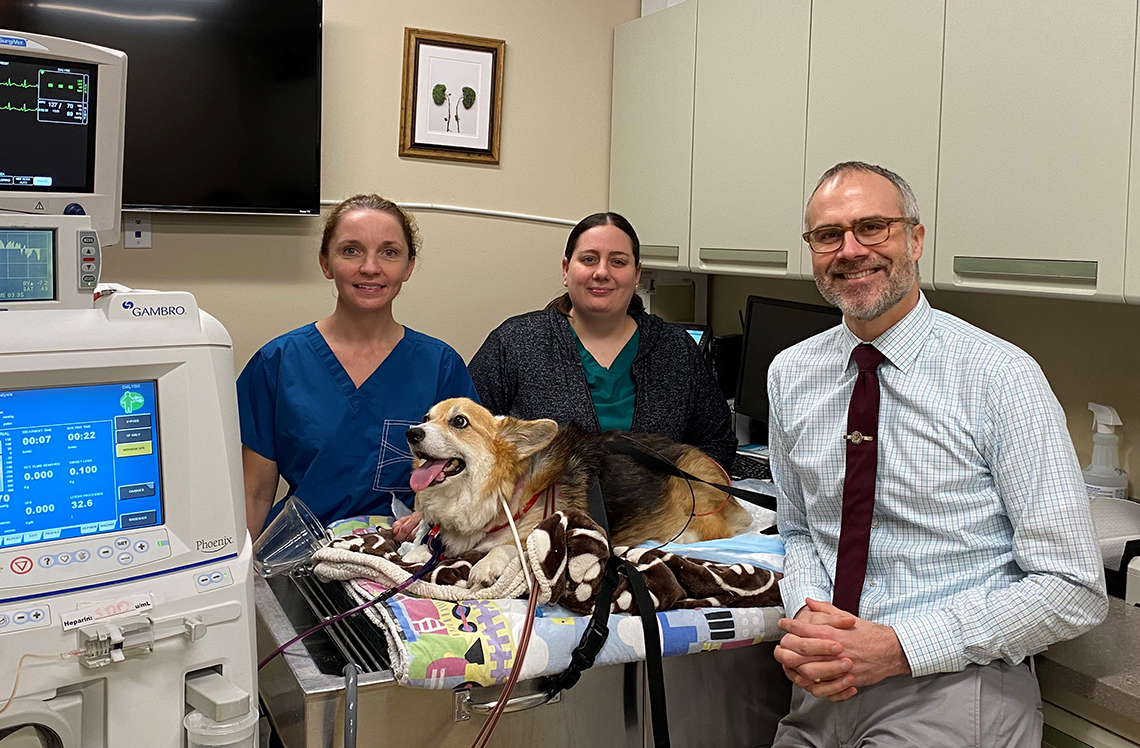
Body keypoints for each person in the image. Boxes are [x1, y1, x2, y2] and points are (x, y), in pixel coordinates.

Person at [766, 161, 1106, 746]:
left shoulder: (1000, 377)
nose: (850, 250)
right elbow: (799, 531)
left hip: (953, 687)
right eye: (828, 235)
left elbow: (1072, 586)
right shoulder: (791, 373)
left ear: (915, 239)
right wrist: (812, 619)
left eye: (872, 227)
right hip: (822, 692)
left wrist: (899, 648)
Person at [238, 194, 478, 539]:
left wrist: (429, 521)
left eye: (389, 252)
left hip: (404, 556)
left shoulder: (440, 366)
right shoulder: (278, 363)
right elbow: (255, 493)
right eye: (351, 250)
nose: (370, 267)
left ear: (408, 266)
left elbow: (468, 478)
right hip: (299, 558)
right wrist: (243, 575)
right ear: (326, 263)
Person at [467, 211, 735, 469]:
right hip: (542, 513)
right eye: (589, 259)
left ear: (637, 274)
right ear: (565, 269)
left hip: (659, 513)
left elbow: (717, 442)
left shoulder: (676, 350)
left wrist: (681, 497)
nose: (602, 272)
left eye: (618, 261)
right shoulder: (516, 343)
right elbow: (464, 435)